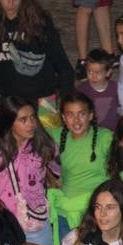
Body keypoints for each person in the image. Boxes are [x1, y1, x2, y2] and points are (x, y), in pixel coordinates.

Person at [0, 96, 58, 245]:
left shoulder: (42, 144)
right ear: (9, 123)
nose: (30, 124)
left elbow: (57, 167)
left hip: (36, 221)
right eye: (22, 120)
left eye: (32, 118)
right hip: (6, 225)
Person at [49, 92, 115, 235]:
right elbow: (27, 145)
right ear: (64, 118)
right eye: (70, 115)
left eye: (82, 114)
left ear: (90, 115)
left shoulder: (105, 137)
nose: (76, 120)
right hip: (65, 210)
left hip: (96, 211)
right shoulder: (57, 135)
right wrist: (51, 178)